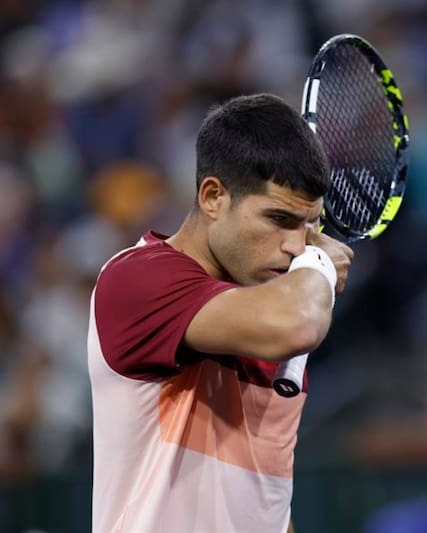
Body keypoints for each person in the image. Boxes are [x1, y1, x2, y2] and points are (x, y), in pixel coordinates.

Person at [88, 94, 353, 533]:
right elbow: (298, 323)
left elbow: (263, 503)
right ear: (213, 197)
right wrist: (319, 264)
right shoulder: (135, 279)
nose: (296, 246)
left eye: (309, 226)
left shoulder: (268, 312)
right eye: (279, 219)